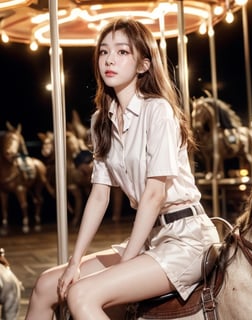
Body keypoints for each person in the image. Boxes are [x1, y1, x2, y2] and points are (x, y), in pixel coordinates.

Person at [25, 18, 219, 320]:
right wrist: (74, 261)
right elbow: (99, 196)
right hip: (149, 237)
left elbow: (155, 195)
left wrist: (126, 261)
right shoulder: (101, 119)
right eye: (104, 52)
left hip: (186, 238)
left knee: (82, 295)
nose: (109, 60)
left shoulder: (158, 110)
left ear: (143, 64)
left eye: (122, 52)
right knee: (46, 284)